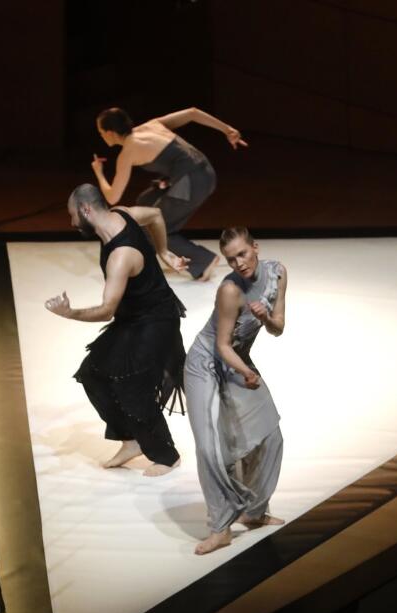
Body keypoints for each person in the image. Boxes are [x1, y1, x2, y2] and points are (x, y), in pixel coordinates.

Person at [45, 184, 186, 476]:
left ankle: (166, 455)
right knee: (94, 374)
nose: (72, 223)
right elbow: (156, 215)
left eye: (73, 215)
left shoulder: (120, 256)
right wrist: (163, 251)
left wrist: (69, 313)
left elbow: (106, 309)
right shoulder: (121, 214)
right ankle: (131, 440)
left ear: (86, 210)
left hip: (156, 321)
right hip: (134, 317)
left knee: (132, 387)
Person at [186, 227, 287, 555]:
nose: (239, 263)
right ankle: (220, 527)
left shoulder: (277, 273)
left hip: (237, 361)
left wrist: (266, 315)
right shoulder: (230, 290)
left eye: (242, 254)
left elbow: (278, 328)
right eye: (231, 259)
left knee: (270, 436)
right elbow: (221, 345)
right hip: (206, 364)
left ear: (256, 247)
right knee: (210, 446)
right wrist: (246, 373)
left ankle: (254, 511)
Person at [92, 106, 247, 280]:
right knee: (146, 202)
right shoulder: (152, 125)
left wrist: (99, 172)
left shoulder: (128, 152)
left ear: (111, 133)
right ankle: (145, 255)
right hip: (204, 173)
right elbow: (192, 113)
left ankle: (203, 260)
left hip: (193, 183)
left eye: (101, 132)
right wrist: (227, 129)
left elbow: (113, 197)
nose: (101, 136)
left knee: (156, 227)